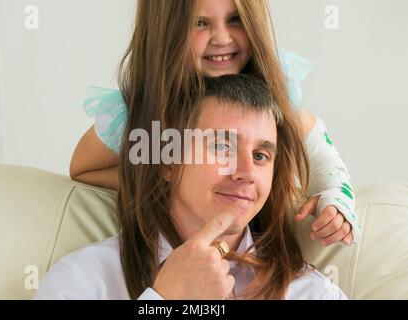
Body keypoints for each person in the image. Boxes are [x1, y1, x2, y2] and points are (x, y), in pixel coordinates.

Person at [70, 0, 360, 247]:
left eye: (235, 19)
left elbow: (318, 150)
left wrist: (335, 197)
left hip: (258, 241)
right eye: (200, 23)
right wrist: (168, 180)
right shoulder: (137, 108)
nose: (222, 38)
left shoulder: (274, 83)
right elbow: (85, 168)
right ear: (164, 32)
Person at [35, 75, 347, 300]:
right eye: (223, 147)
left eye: (261, 155)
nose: (247, 173)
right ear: (168, 163)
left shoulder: (314, 294)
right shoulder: (83, 280)